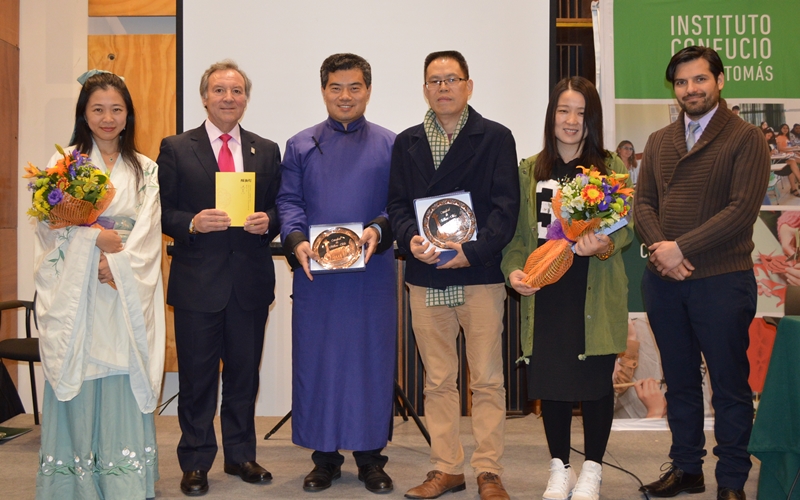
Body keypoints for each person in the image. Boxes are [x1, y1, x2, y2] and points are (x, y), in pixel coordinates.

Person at [634, 46, 769, 500]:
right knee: (681, 379)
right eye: (681, 82)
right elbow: (643, 204)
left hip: (721, 280)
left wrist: (681, 249)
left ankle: (731, 479)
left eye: (699, 79)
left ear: (720, 81)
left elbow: (741, 210)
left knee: (730, 384)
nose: (690, 89)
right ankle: (687, 468)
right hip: (664, 281)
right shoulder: (658, 140)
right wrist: (661, 251)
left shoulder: (746, 137)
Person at [387, 50, 519, 500]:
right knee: (438, 380)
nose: (443, 87)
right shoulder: (406, 142)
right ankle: (446, 468)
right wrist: (411, 241)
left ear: (468, 85)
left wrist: (473, 251)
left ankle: (488, 471)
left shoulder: (496, 137)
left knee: (486, 378)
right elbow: (398, 206)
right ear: (425, 88)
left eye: (452, 79)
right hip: (426, 274)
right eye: (435, 80)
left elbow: (507, 208)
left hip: (479, 273)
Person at [34, 70, 165, 499]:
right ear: (84, 115)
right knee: (82, 371)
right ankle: (77, 487)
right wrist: (93, 244)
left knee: (121, 373)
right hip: (82, 292)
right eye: (98, 110)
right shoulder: (63, 166)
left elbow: (147, 232)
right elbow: (48, 229)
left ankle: (122, 484)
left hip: (120, 290)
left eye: (116, 109)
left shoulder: (145, 169)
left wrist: (119, 263)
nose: (107, 118)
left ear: (127, 116)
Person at [501, 76, 632, 500]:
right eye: (563, 110)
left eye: (580, 112)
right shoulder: (530, 170)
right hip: (546, 291)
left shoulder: (610, 168)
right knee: (551, 383)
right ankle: (560, 468)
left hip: (592, 288)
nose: (571, 120)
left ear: (591, 119)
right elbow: (519, 240)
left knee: (595, 383)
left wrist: (605, 242)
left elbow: (626, 229)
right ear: (551, 116)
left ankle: (592, 470)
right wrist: (514, 273)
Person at [158, 60, 281, 496]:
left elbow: (280, 209)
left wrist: (269, 220)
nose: (229, 97)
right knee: (197, 379)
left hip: (248, 283)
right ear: (205, 96)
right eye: (219, 90)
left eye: (236, 91)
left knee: (244, 377)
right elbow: (164, 212)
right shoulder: (175, 147)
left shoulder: (265, 149)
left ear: (246, 97)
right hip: (197, 284)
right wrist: (192, 222)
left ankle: (241, 455)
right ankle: (194, 461)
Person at [276, 53, 397, 495]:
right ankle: (323, 459)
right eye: (336, 88)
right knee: (319, 362)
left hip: (372, 275)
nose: (345, 96)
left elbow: (396, 205)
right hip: (317, 277)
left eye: (354, 88)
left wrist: (379, 228)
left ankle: (370, 459)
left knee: (371, 362)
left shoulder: (390, 144)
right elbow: (289, 201)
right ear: (323, 90)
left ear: (368, 89)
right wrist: (295, 239)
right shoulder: (300, 145)